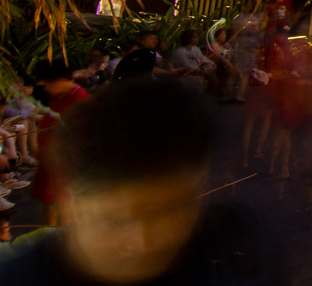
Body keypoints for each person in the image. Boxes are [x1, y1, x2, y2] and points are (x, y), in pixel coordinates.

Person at [0, 77, 281, 286]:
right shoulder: (19, 278)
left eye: (170, 211)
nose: (142, 242)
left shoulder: (245, 253)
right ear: (71, 202)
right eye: (115, 219)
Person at [28, 62, 89, 225]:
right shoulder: (59, 96)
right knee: (51, 212)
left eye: (47, 84)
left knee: (64, 216)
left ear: (61, 80)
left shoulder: (80, 101)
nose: (46, 89)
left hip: (66, 170)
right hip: (51, 166)